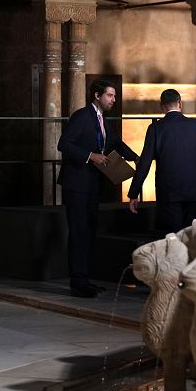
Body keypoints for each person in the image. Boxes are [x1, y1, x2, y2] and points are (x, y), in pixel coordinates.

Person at [58, 78, 139, 298]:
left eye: (114, 95)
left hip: (92, 184)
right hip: (76, 184)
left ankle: (85, 279)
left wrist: (136, 157)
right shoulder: (82, 116)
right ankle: (78, 283)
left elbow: (114, 142)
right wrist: (90, 156)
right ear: (97, 95)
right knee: (78, 232)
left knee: (89, 232)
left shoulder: (103, 119)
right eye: (110, 95)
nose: (114, 99)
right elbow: (63, 144)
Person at [127, 88, 196, 233]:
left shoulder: (155, 128)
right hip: (193, 191)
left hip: (168, 193)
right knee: (190, 237)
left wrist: (134, 193)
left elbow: (145, 163)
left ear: (162, 106)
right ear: (180, 104)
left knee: (173, 238)